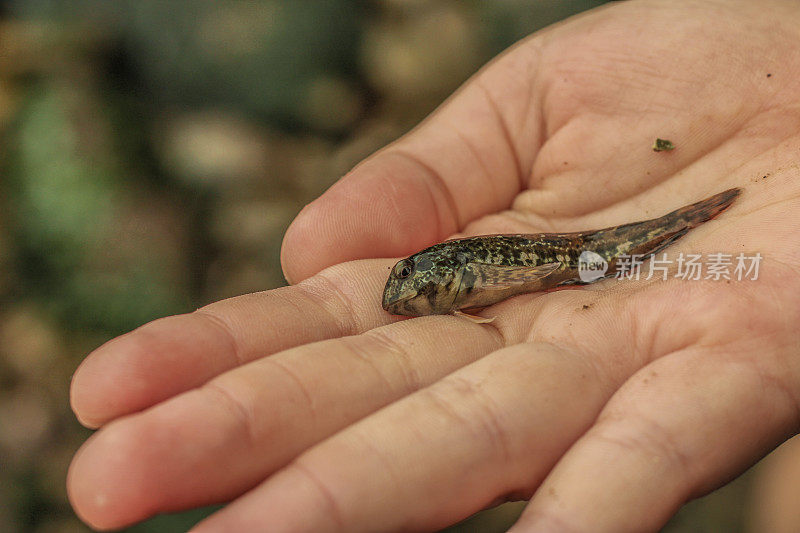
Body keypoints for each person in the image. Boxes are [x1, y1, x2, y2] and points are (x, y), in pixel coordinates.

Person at [66, 0, 800, 531]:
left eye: (416, 295)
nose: (407, 300)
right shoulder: (449, 278)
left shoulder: (473, 274)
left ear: (444, 288)